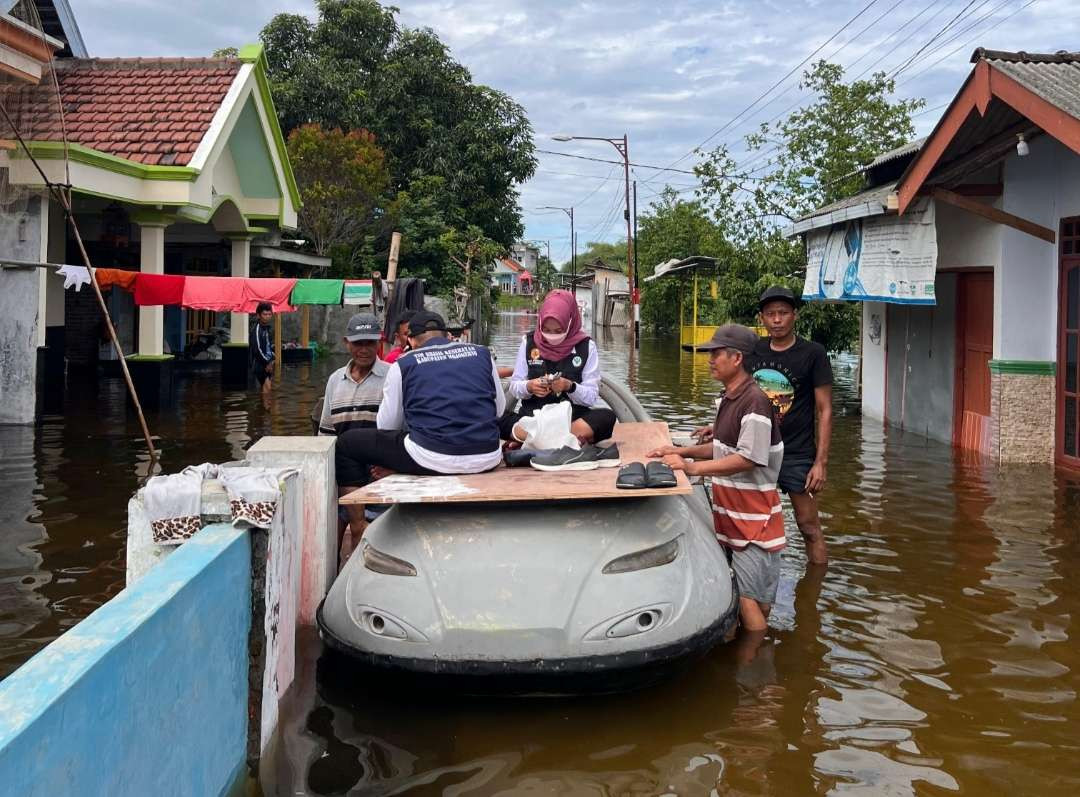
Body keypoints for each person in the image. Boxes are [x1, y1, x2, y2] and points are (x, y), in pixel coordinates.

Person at [649, 324, 785, 632]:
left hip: (755, 523)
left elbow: (749, 458)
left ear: (737, 358)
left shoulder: (754, 403)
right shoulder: (730, 397)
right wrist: (682, 451)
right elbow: (724, 448)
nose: (710, 360)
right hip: (734, 516)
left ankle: (759, 669)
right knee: (750, 600)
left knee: (751, 604)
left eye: (716, 354)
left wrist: (692, 468)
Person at [336, 310, 505, 534]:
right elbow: (499, 410)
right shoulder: (482, 354)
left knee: (347, 444)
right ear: (446, 335)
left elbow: (387, 426)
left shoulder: (404, 364)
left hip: (432, 457)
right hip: (487, 456)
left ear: (410, 340)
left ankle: (357, 525)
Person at [747, 285, 832, 565]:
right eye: (770, 314)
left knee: (808, 527)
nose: (777, 320)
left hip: (796, 453)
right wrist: (720, 428)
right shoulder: (754, 351)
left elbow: (825, 409)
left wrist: (820, 462)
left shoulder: (813, 353)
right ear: (762, 318)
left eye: (783, 313)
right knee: (749, 524)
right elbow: (739, 398)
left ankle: (813, 593)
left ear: (794, 315)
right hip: (756, 451)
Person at [501, 289, 616, 446]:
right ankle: (559, 440)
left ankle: (532, 439)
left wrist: (569, 386)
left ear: (570, 323)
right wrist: (529, 386)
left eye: (558, 331)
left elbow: (591, 397)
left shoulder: (586, 347)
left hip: (571, 419)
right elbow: (515, 386)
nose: (551, 335)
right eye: (546, 330)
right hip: (533, 418)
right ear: (540, 322)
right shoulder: (528, 342)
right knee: (496, 417)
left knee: (607, 418)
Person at [249, 301, 275, 398]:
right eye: (265, 314)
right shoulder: (256, 329)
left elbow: (268, 346)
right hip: (259, 364)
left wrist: (272, 359)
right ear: (258, 315)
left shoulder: (266, 328)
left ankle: (264, 410)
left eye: (269, 314)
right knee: (267, 389)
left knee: (267, 389)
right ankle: (264, 410)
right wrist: (267, 362)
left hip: (267, 362)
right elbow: (257, 349)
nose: (267, 316)